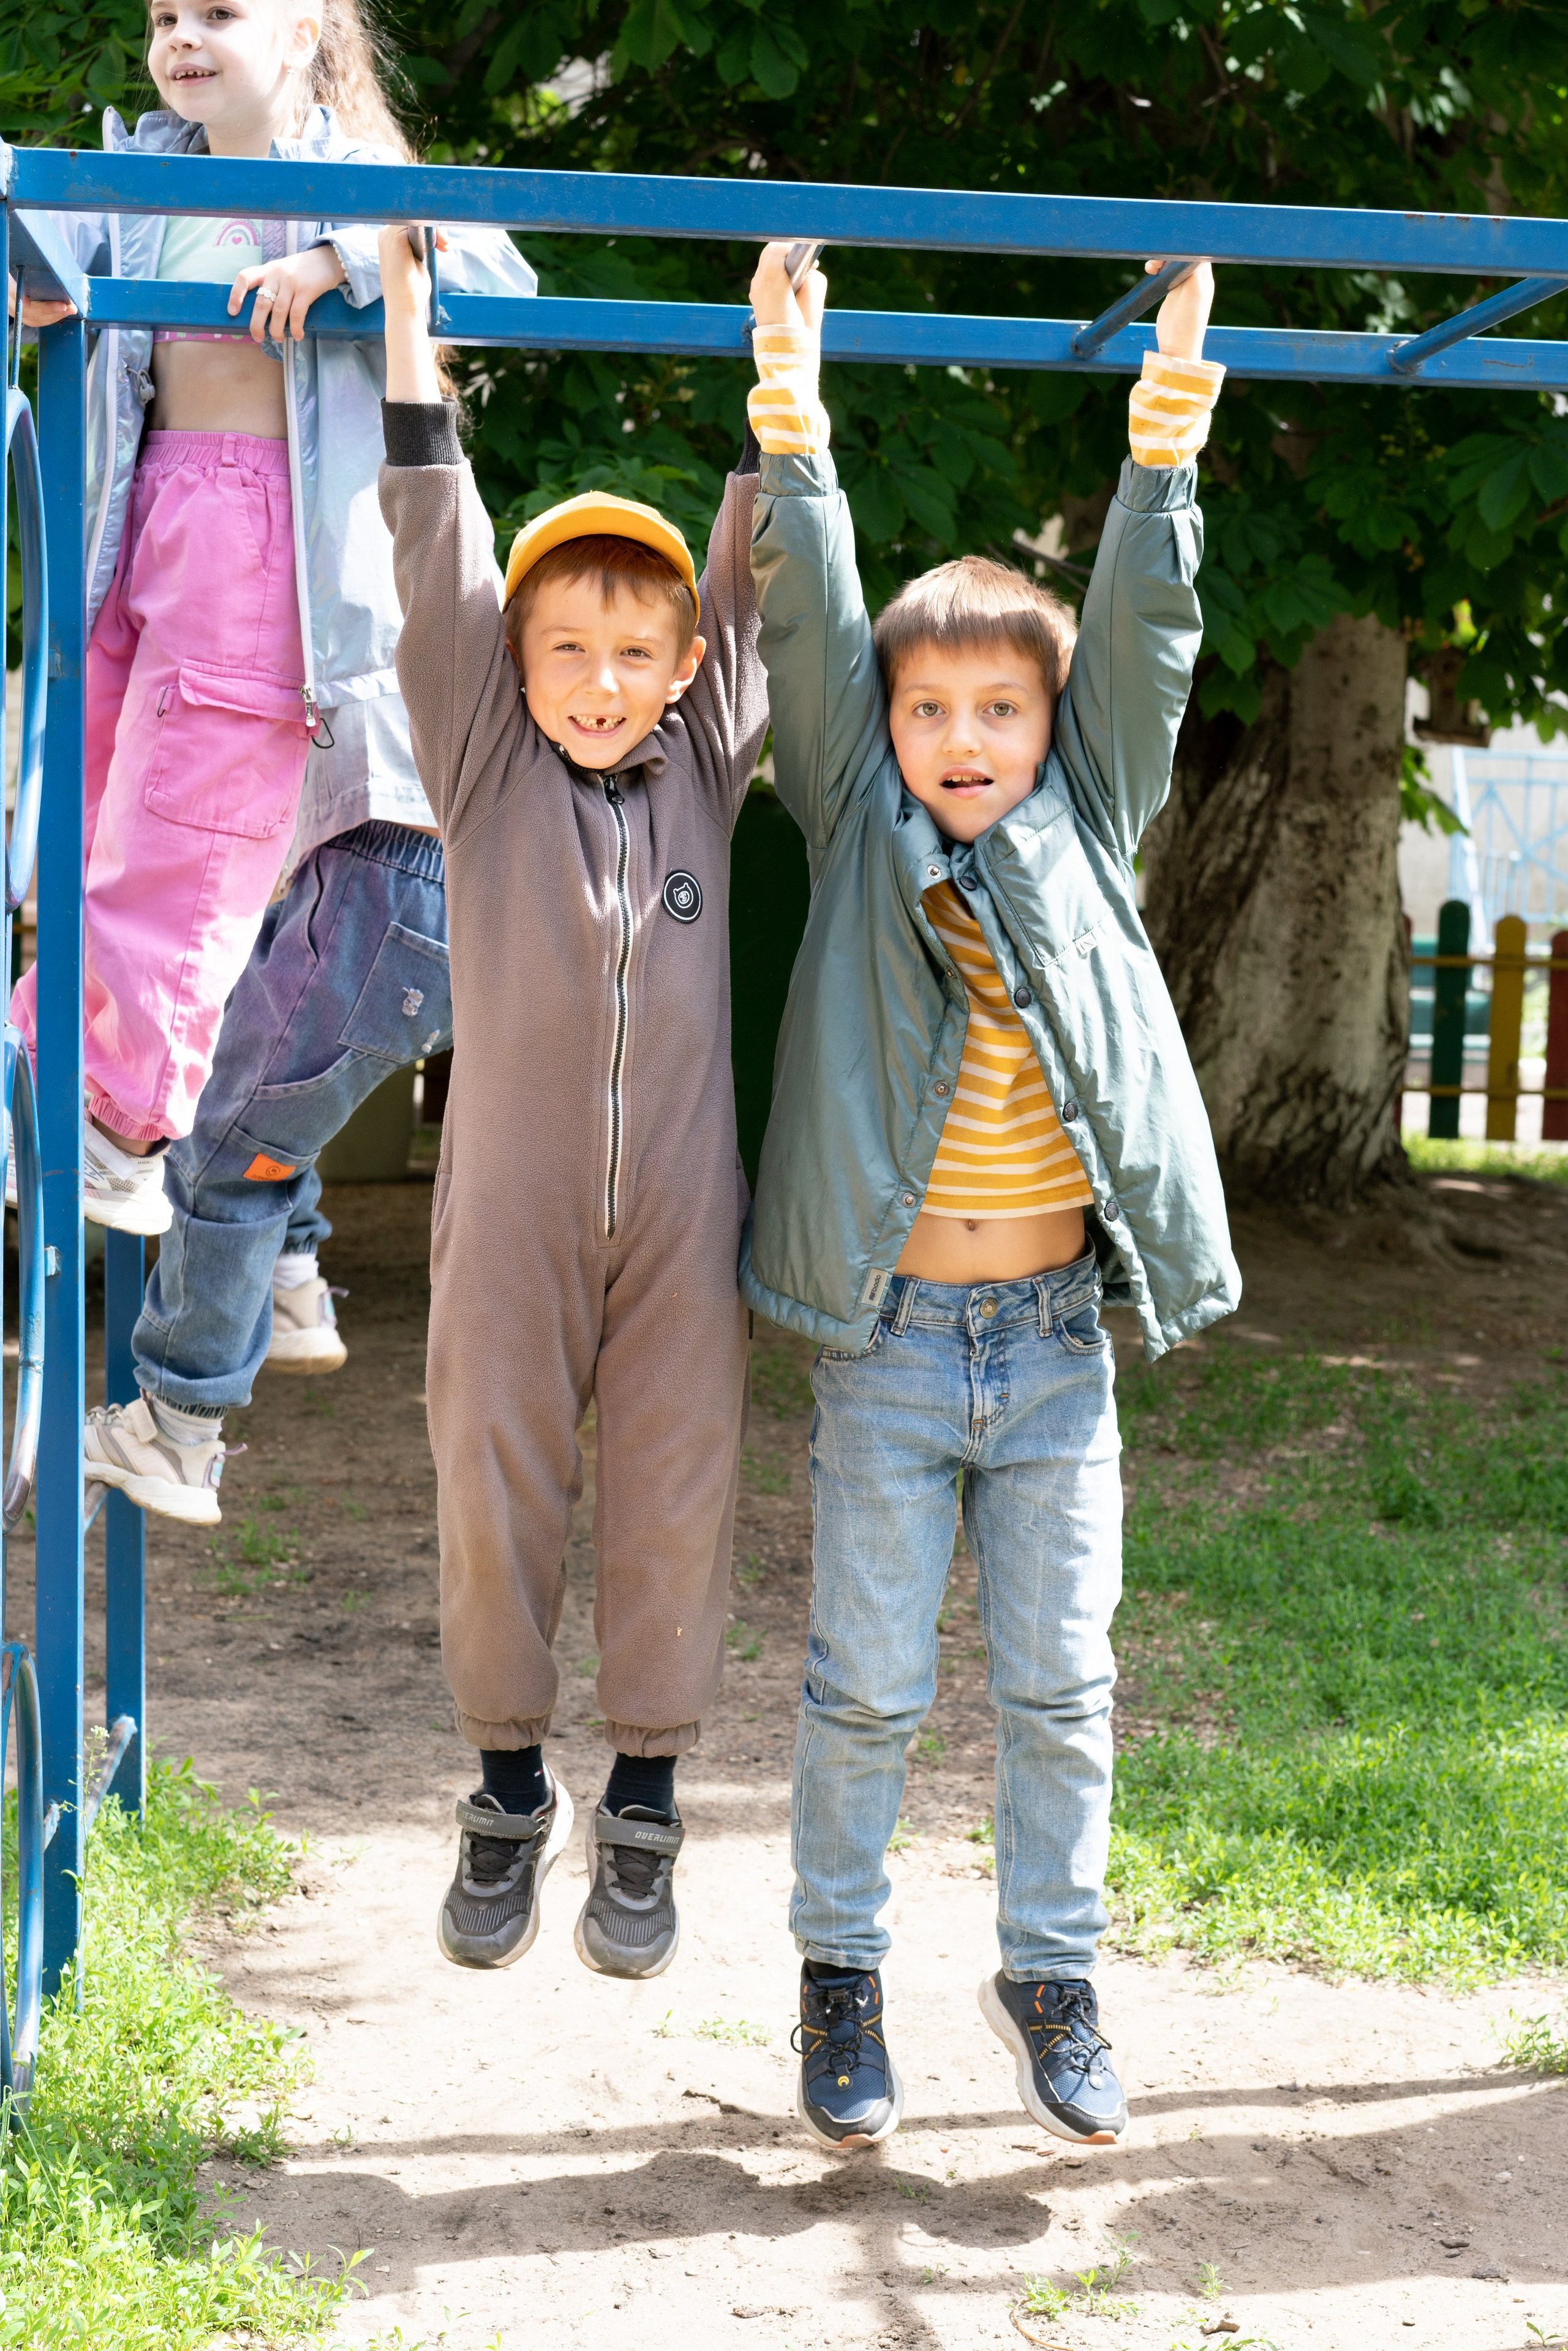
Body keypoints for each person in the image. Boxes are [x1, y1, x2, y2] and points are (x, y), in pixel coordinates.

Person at [741, 246, 1240, 2149]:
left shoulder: (1096, 814)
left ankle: (1053, 1971)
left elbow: (1148, 632)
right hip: (886, 1340)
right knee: (864, 1685)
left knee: (1063, 1684)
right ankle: (841, 1975)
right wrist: (796, 409)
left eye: (999, 713)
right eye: (930, 707)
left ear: (1050, 735)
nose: (964, 737)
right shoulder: (858, 815)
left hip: (1050, 1349)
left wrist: (1166, 432)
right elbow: (811, 632)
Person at [9, 0, 532, 1523]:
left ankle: (112, 1117)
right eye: (165, 15)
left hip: (266, 550)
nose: (181, 38)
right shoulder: (143, 175)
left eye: (219, 12)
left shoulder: (346, 166)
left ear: (310, 30)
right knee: (119, 826)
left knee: (187, 852)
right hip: (138, 535)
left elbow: (494, 264)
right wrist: (49, 281)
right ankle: (277, 1252)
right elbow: (58, 284)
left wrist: (349, 258)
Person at [373, 224, 769, 1982]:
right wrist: (403, 326)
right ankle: (508, 1786)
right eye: (568, 649)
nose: (602, 681)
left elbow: (762, 576)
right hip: (514, 1199)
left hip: (685, 1206)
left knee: (676, 1479)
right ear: (516, 662)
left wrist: (782, 393)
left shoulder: (705, 761)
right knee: (497, 1467)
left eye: (636, 652)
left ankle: (647, 1807)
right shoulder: (481, 760)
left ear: (684, 670)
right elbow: (433, 535)